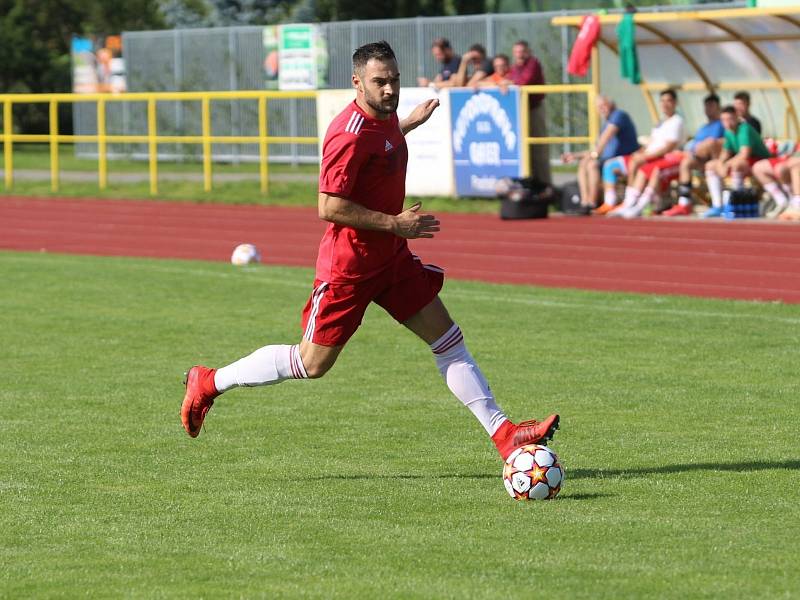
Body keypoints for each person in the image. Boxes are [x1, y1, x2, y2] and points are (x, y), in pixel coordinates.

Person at [181, 41, 560, 461]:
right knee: (312, 363)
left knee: (447, 339)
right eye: (380, 82)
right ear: (357, 83)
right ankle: (209, 381)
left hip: (391, 258)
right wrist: (397, 223)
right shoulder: (347, 135)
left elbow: (380, 148)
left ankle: (506, 435)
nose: (390, 89)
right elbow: (329, 206)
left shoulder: (385, 118)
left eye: (394, 80)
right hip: (350, 268)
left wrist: (405, 125)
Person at [606, 89, 686, 218]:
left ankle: (640, 206)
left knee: (654, 169)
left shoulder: (677, 121)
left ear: (675, 103)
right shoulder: (660, 123)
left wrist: (645, 157)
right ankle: (629, 203)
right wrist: (640, 153)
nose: (665, 104)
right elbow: (652, 143)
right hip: (657, 159)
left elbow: (668, 148)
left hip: (670, 160)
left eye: (669, 101)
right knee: (640, 168)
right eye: (662, 101)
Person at [562, 95, 639, 210]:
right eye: (599, 107)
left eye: (604, 105)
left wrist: (595, 154)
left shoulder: (618, 116)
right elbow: (597, 149)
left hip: (624, 159)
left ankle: (592, 203)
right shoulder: (605, 124)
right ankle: (585, 202)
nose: (601, 109)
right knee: (584, 163)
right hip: (608, 159)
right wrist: (575, 156)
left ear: (611, 105)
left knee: (592, 164)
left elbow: (605, 139)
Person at [661, 93, 725, 217]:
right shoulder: (703, 128)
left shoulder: (723, 124)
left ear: (718, 107)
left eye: (711, 106)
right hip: (698, 159)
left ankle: (718, 204)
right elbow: (694, 144)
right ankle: (684, 203)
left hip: (715, 159)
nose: (708, 109)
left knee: (709, 143)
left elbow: (720, 142)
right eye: (706, 106)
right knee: (686, 163)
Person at [702, 104, 772, 218]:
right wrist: (720, 163)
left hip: (760, 160)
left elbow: (745, 154)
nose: (727, 123)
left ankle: (737, 203)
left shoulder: (745, 129)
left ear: (736, 117)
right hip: (747, 162)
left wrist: (726, 164)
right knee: (710, 165)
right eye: (724, 120)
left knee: (737, 165)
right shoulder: (728, 132)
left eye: (730, 119)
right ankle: (717, 205)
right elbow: (726, 152)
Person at [507, 40, 551, 184]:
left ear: (528, 52)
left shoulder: (533, 63)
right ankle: (530, 183)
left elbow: (523, 81)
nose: (519, 55)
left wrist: (507, 83)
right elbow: (508, 79)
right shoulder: (515, 68)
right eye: (517, 52)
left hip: (534, 109)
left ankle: (545, 184)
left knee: (538, 148)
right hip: (520, 111)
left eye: (522, 51)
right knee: (525, 150)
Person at [752, 149, 800, 219]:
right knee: (758, 167)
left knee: (787, 167)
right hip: (789, 158)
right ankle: (782, 202)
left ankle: (797, 204)